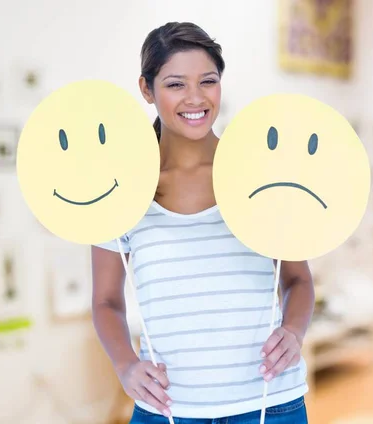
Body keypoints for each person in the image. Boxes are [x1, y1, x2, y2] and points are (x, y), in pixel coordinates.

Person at [91, 21, 315, 423]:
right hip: (168, 412)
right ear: (147, 89)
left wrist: (295, 331)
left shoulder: (261, 175)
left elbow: (297, 280)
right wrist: (125, 365)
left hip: (270, 406)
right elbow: (106, 301)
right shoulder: (118, 189)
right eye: (176, 84)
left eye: (207, 81)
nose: (195, 98)